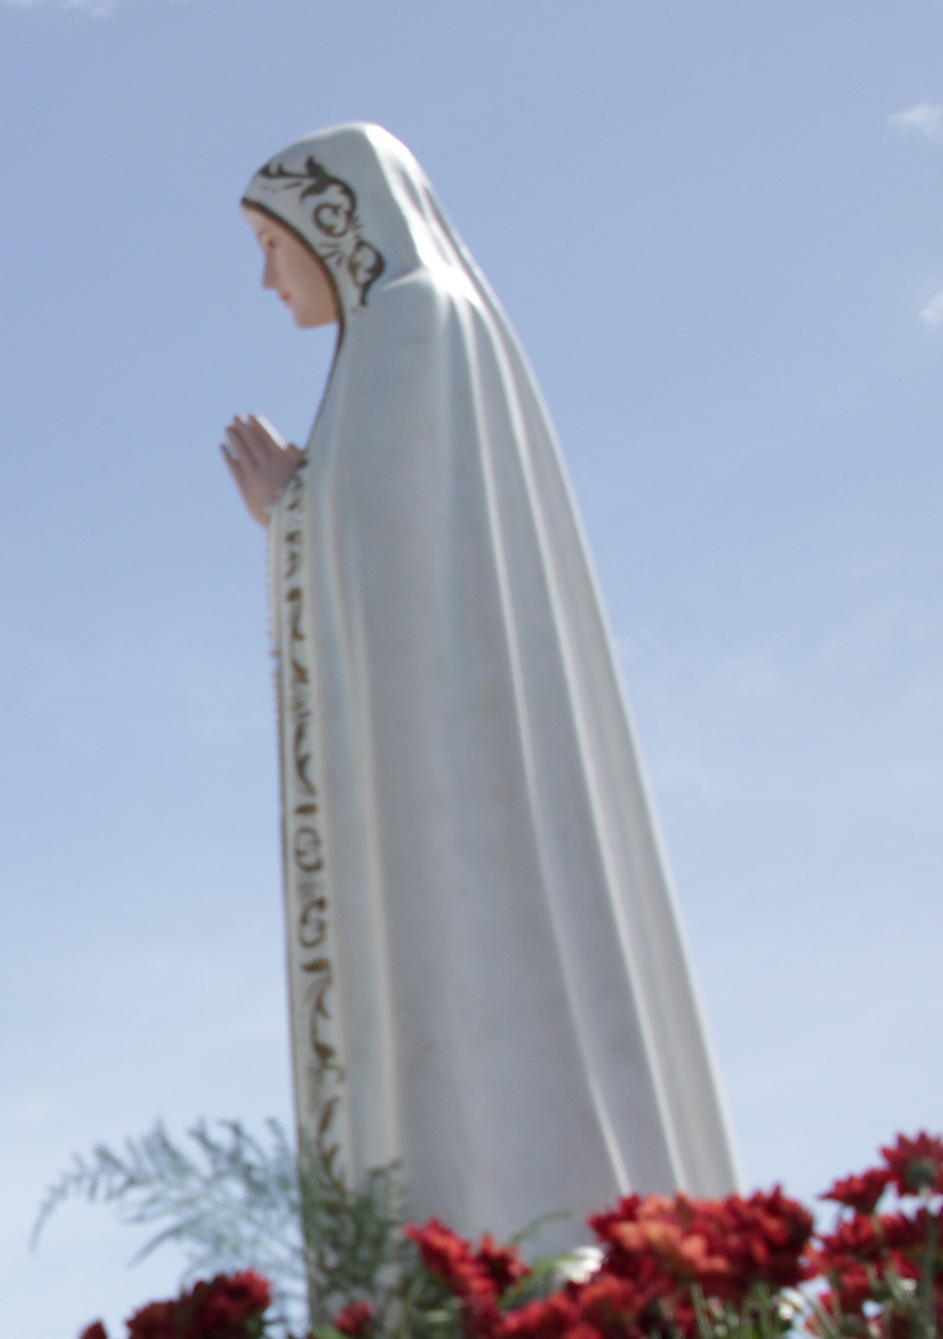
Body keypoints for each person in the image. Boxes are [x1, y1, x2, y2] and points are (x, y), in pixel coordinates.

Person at [218, 123, 738, 1244]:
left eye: (272, 243)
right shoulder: (405, 336)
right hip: (443, 746)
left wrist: (288, 513)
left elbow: (398, 546)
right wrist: (306, 505)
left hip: (459, 762)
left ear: (335, 220)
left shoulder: (410, 325)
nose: (266, 276)